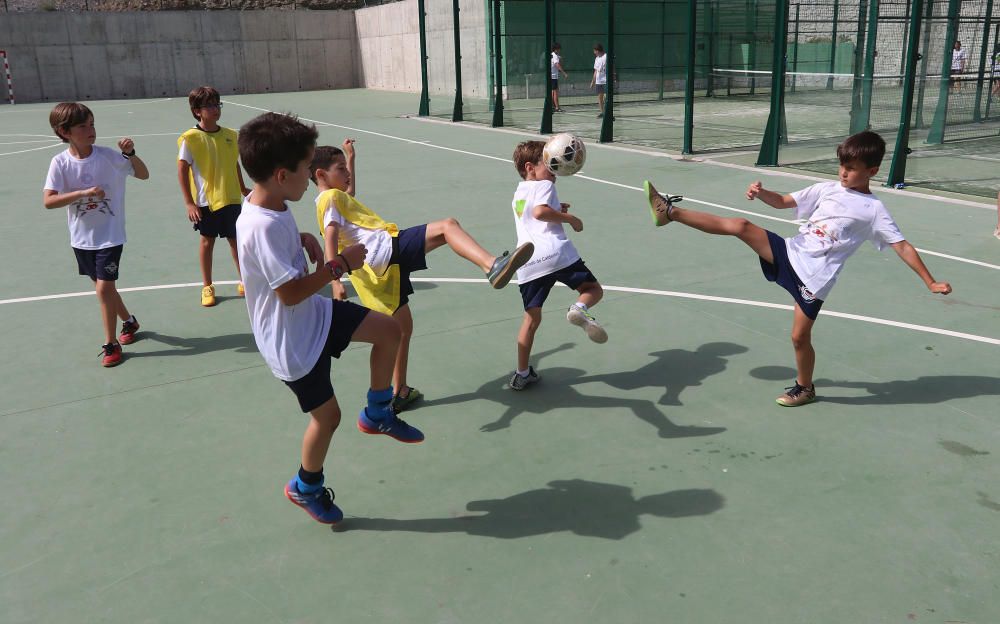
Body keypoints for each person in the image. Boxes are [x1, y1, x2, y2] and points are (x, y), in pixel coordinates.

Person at [643, 131, 952, 407]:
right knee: (740, 225)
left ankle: (805, 388)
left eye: (851, 168)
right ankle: (669, 211)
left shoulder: (874, 210)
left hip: (815, 279)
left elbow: (902, 245)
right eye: (842, 165)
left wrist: (931, 281)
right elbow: (783, 201)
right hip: (791, 252)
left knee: (798, 338)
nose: (843, 172)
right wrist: (762, 193)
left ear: (872, 171)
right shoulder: (827, 188)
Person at [235, 112, 422, 525]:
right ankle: (305, 486)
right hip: (291, 341)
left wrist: (299, 238)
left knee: (389, 330)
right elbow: (288, 293)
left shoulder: (271, 201)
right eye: (306, 169)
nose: (310, 176)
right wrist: (339, 265)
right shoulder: (259, 227)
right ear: (283, 174)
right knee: (328, 418)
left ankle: (377, 413)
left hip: (313, 316)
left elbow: (275, 250)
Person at [311, 139, 533, 412]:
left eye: (346, 168)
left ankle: (399, 391)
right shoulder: (329, 199)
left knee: (403, 326)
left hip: (379, 266)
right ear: (321, 175)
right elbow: (330, 238)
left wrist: (351, 158)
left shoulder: (330, 199)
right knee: (447, 227)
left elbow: (349, 194)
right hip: (384, 248)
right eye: (340, 169)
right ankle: (492, 265)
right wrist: (335, 281)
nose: (345, 173)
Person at [43, 102, 150, 367]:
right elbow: (49, 201)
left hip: (110, 236)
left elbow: (144, 175)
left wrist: (131, 154)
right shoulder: (60, 163)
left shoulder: (109, 157)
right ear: (64, 131)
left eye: (92, 124)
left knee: (103, 287)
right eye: (83, 126)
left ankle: (110, 343)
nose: (91, 130)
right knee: (106, 289)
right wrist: (82, 193)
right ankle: (129, 321)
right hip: (81, 239)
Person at [508, 140, 607, 391]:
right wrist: (569, 218)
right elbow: (540, 213)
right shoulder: (544, 185)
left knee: (530, 320)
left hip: (527, 261)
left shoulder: (518, 193)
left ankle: (521, 374)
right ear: (530, 167)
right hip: (555, 252)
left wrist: (556, 209)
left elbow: (532, 215)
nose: (554, 170)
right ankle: (579, 308)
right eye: (549, 164)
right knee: (593, 290)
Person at [177, 86, 250, 307]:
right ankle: (207, 285)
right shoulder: (190, 138)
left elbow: (234, 163)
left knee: (236, 241)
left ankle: (244, 280)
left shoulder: (230, 135)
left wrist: (243, 187)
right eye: (209, 105)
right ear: (197, 111)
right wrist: (189, 202)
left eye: (217, 104)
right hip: (205, 201)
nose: (215, 109)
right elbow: (182, 170)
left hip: (230, 198)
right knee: (207, 242)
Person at [550, 42, 569, 113]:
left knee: (553, 92)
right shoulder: (555, 56)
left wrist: (559, 58)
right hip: (553, 76)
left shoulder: (552, 55)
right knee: (555, 92)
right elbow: (557, 65)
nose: (559, 50)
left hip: (551, 76)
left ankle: (552, 106)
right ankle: (557, 107)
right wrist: (564, 73)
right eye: (558, 49)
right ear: (556, 49)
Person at [591, 43, 608, 117]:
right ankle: (602, 113)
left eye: (595, 51)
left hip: (605, 80)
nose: (594, 53)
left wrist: (614, 76)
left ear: (598, 50)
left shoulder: (606, 56)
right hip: (598, 81)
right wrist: (593, 81)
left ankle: (607, 112)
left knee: (606, 97)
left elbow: (612, 66)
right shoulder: (597, 58)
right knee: (600, 97)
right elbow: (595, 71)